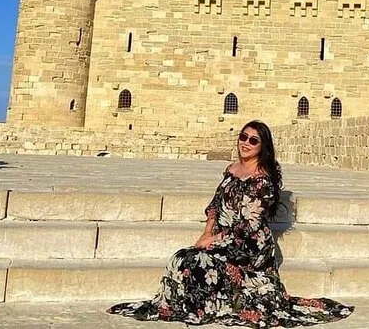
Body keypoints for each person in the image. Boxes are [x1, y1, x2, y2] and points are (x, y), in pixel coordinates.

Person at [107, 120, 354, 327]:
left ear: (263, 147)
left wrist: (214, 240)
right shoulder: (232, 169)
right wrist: (206, 233)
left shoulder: (263, 181)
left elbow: (250, 225)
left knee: (194, 260)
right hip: (224, 236)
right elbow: (215, 204)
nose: (245, 143)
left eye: (253, 140)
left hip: (249, 244)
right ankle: (188, 304)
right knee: (182, 257)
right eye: (243, 137)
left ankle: (206, 306)